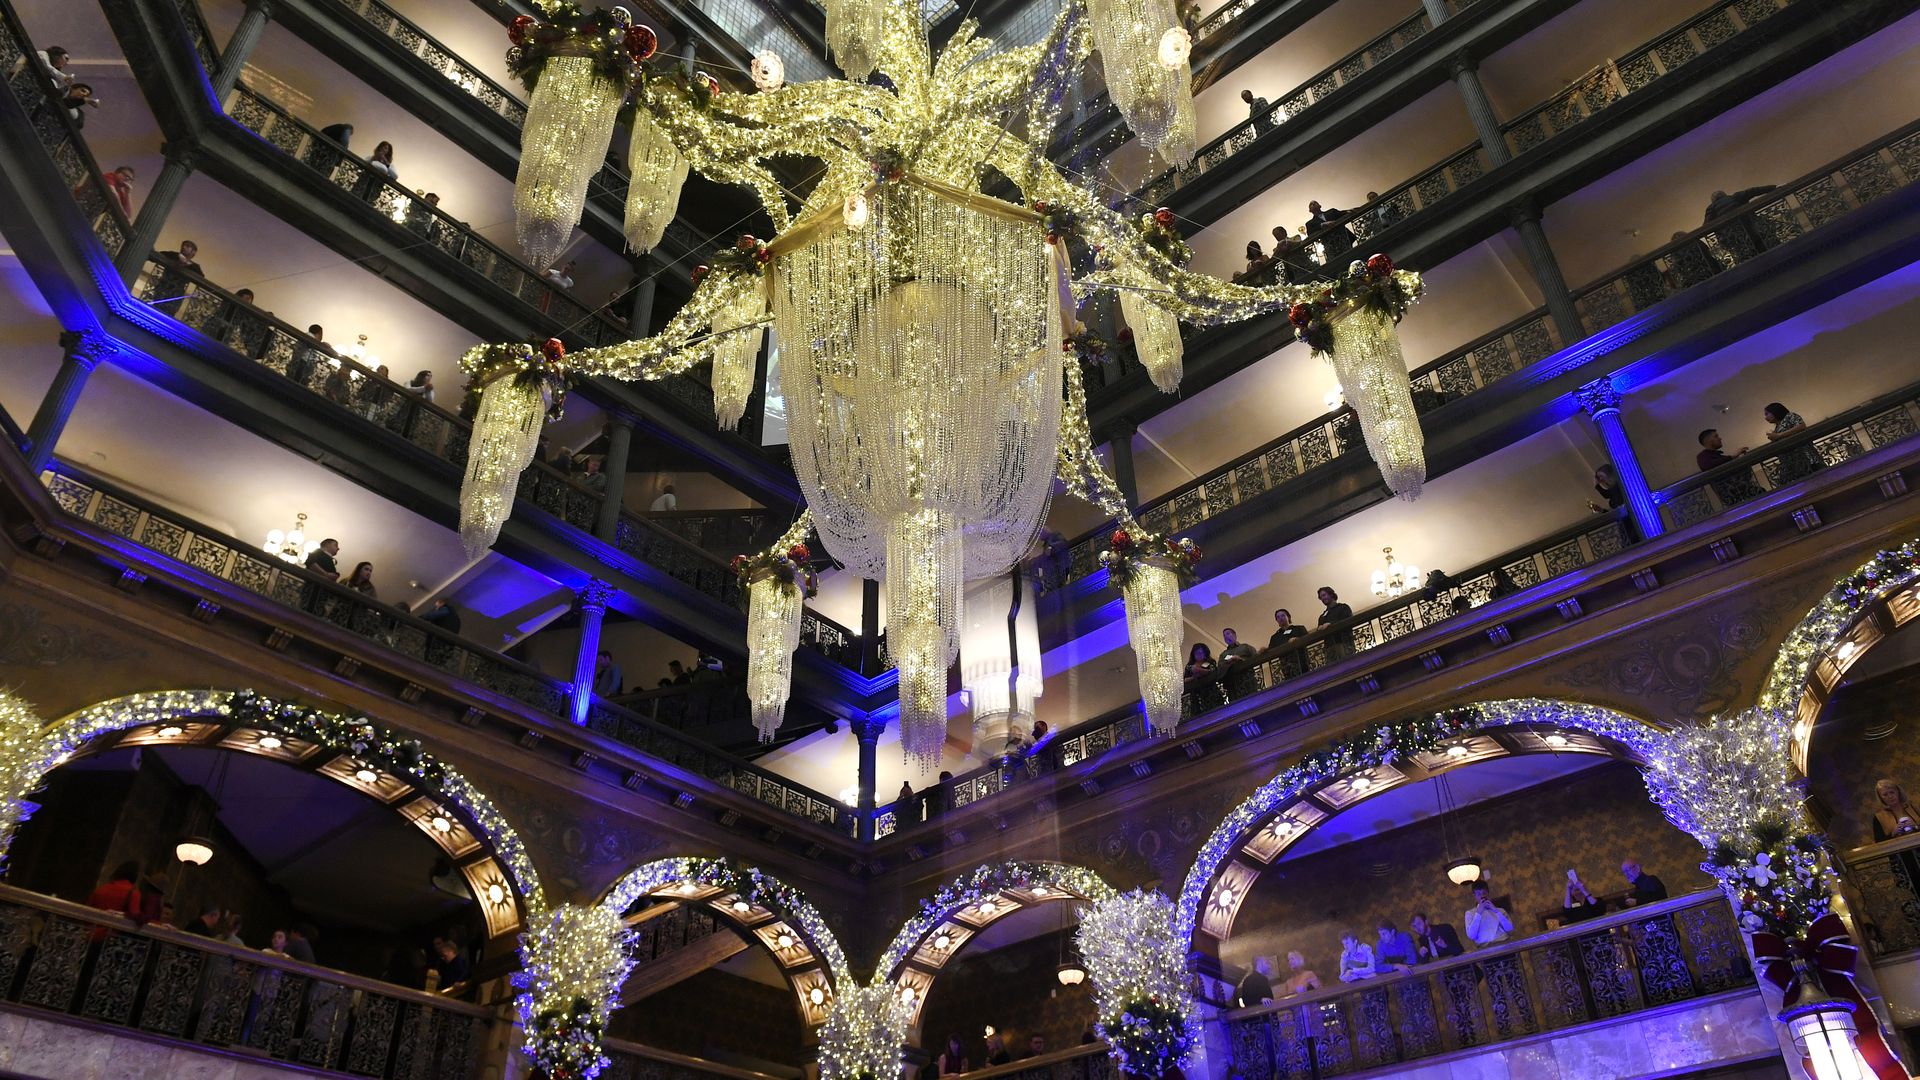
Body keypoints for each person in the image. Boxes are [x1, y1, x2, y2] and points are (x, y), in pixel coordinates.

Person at [1704, 185, 1778, 262]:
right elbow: (1753, 191)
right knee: (1764, 247)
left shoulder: (1711, 209)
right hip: (1751, 230)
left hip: (1734, 239)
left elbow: (1706, 227)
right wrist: (1773, 187)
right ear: (1724, 195)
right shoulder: (1734, 197)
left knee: (1746, 257)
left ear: (1713, 201)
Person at [1697, 428, 1765, 505]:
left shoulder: (1717, 456)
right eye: (1716, 436)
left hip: (1741, 491)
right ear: (1708, 441)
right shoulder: (1702, 457)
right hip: (1732, 495)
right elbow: (1709, 465)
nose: (1720, 438)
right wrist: (1732, 457)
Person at [1763, 402, 1823, 483]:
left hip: (1806, 457)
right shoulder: (1777, 428)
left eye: (1767, 414)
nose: (1765, 418)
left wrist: (1779, 436)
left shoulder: (1790, 416)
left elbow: (1801, 426)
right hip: (1793, 464)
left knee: (1819, 479)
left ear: (1774, 411)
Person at [149, 240, 203, 316]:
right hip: (163, 287)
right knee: (155, 309)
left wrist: (187, 263)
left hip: (176, 293)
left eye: (187, 246)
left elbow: (200, 278)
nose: (183, 247)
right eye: (183, 245)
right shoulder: (173, 255)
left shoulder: (195, 267)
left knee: (168, 313)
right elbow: (156, 256)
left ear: (193, 252)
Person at [1463, 882, 1512, 947]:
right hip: (1485, 948)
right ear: (1474, 896)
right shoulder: (1470, 913)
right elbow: (1471, 936)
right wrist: (1478, 913)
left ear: (1488, 893)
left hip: (1503, 943)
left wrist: (1496, 911)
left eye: (1484, 893)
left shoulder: (1500, 910)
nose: (1482, 896)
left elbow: (1509, 929)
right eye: (1479, 894)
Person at [1218, 627, 1258, 699]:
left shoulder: (1245, 647)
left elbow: (1256, 658)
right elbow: (1220, 667)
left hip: (1247, 680)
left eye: (1228, 634)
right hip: (1232, 686)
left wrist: (1240, 659)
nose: (1226, 636)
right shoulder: (1223, 654)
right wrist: (1228, 663)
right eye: (1224, 636)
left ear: (1234, 635)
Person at [1316, 587, 1353, 659]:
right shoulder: (1322, 616)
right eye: (1321, 597)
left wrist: (1331, 624)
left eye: (1324, 595)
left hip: (1343, 643)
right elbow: (1319, 632)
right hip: (1329, 647)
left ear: (1331, 594)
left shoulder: (1343, 607)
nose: (1323, 598)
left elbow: (1348, 621)